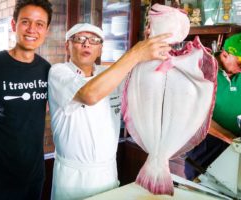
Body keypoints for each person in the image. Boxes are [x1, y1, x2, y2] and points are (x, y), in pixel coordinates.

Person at [48, 23, 172, 199]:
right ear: (67, 46)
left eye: (94, 40)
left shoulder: (108, 73)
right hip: (73, 178)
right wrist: (135, 53)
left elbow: (145, 82)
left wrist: (150, 43)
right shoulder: (59, 72)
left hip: (107, 172)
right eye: (79, 39)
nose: (87, 44)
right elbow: (90, 94)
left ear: (100, 50)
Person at [0, 0, 52, 199]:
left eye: (39, 24)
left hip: (33, 177)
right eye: (25, 22)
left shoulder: (47, 70)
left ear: (46, 30)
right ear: (14, 25)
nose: (32, 29)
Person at [185, 32, 241, 180]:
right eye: (240, 63)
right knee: (200, 190)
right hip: (205, 146)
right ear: (225, 55)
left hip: (237, 145)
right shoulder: (202, 71)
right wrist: (231, 139)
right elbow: (194, 115)